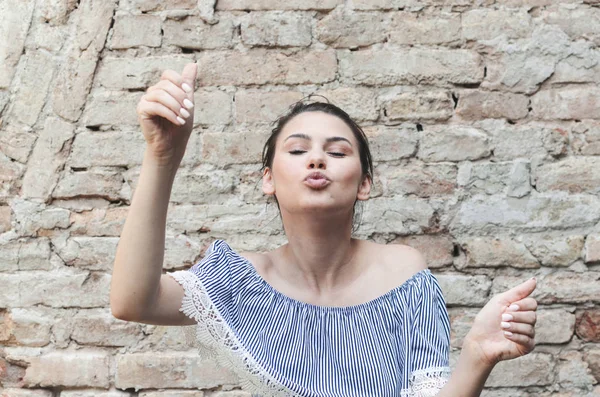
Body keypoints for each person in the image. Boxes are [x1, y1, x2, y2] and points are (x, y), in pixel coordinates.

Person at [110, 63, 538, 397]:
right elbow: (132, 301)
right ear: (269, 179)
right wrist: (163, 156)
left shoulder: (404, 274)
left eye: (337, 151)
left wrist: (477, 356)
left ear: (364, 183)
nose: (316, 159)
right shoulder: (240, 280)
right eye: (297, 150)